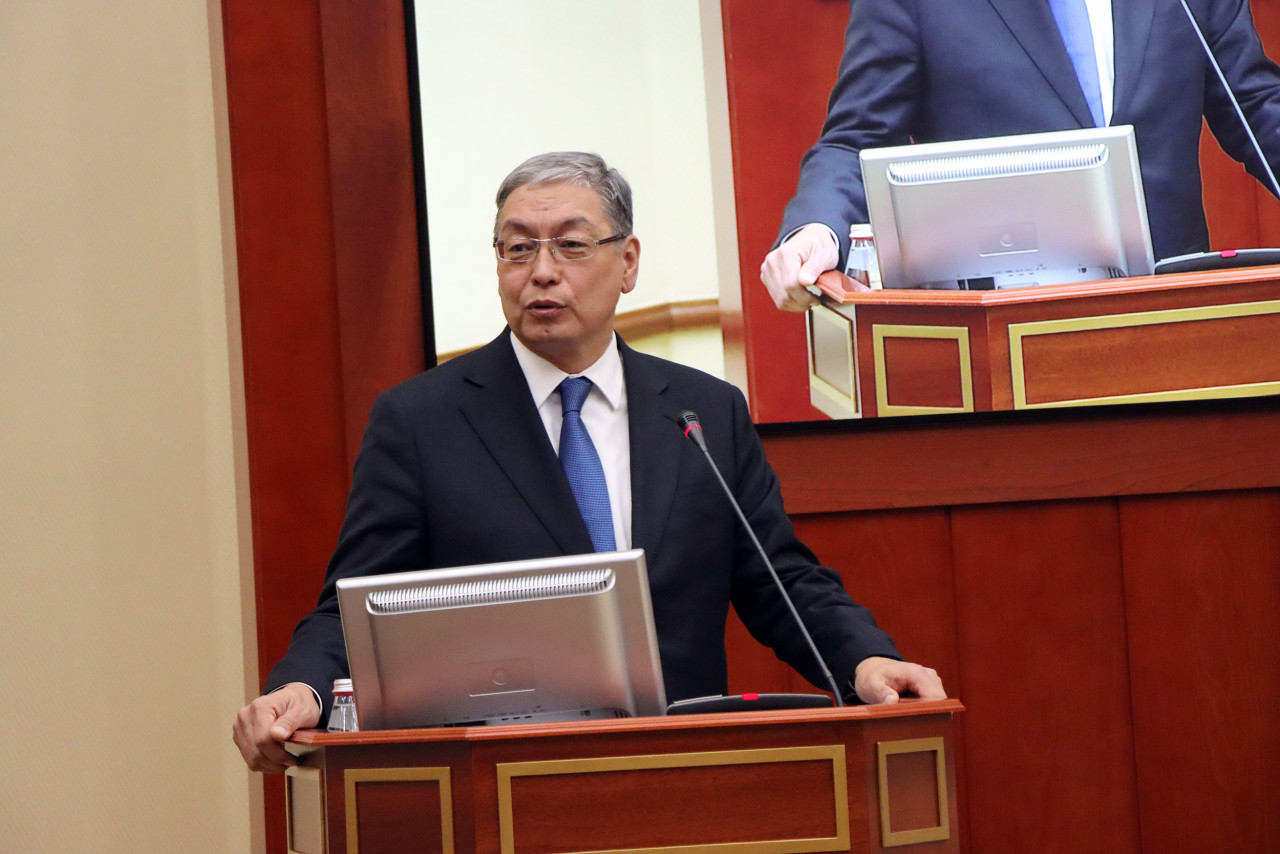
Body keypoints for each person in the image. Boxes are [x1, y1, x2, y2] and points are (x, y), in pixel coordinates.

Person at [233, 151, 945, 773]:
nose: (541, 273)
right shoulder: (421, 421)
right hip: (503, 779)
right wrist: (303, 688)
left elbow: (780, 581)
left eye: (571, 246)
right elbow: (357, 606)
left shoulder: (702, 412)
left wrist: (865, 660)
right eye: (518, 249)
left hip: (686, 769)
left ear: (627, 262)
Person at [761, 0, 1280, 311]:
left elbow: (1254, 102)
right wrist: (817, 229)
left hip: (1177, 317)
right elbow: (858, 139)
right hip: (1002, 330)